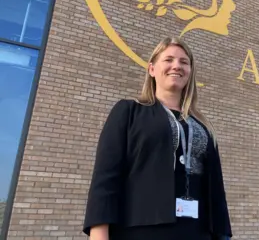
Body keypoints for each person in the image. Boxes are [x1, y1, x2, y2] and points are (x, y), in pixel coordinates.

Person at [82, 37, 232, 240]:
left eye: (184, 62)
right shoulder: (129, 111)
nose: (176, 66)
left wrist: (222, 234)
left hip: (198, 231)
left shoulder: (203, 126)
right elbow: (106, 177)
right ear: (152, 69)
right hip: (140, 229)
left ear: (190, 73)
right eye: (168, 60)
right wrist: (99, 234)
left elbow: (216, 190)